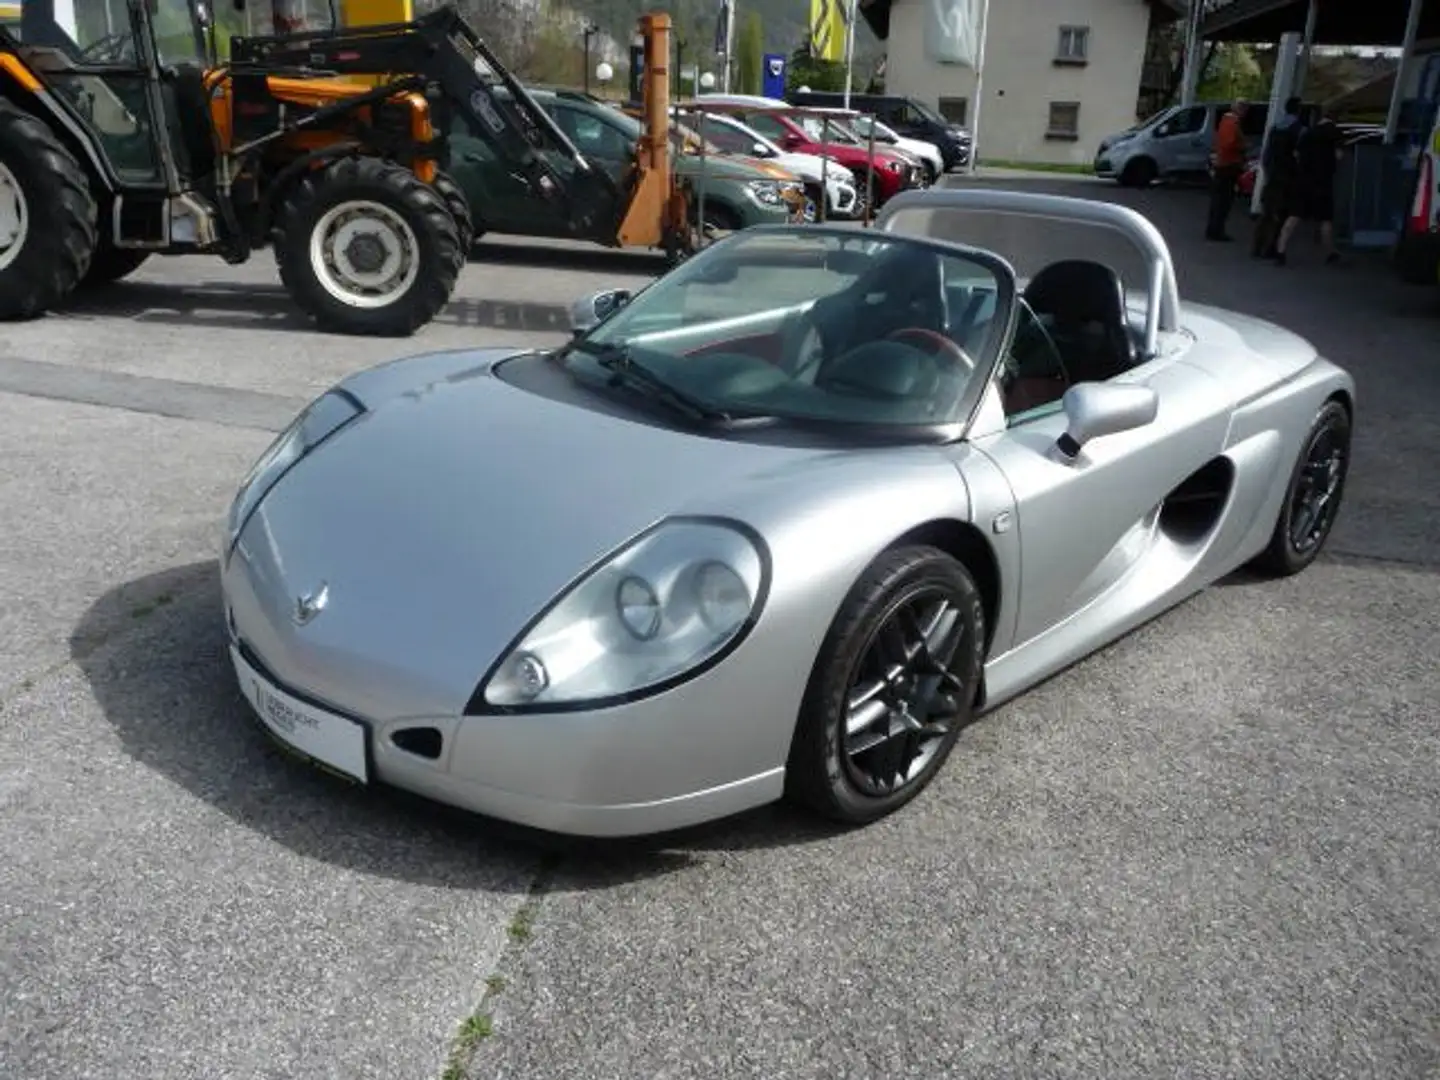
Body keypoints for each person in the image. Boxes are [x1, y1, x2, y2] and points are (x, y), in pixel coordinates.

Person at [1274, 106, 1344, 266]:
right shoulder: (1335, 133)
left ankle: (1281, 250)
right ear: (1335, 118)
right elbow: (1338, 156)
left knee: (1294, 216)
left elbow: (1296, 154)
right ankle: (1330, 252)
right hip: (1323, 182)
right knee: (1325, 219)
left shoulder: (1308, 133)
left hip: (1304, 180)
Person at [1252, 96, 1305, 259]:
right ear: (1298, 110)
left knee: (1266, 213)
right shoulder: (1299, 130)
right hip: (1288, 178)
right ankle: (1271, 248)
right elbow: (1300, 156)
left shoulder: (1275, 127)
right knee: (1281, 215)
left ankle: (1257, 247)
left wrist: (1268, 173)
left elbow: (1266, 155)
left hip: (1273, 176)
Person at [1206, 100, 1248, 241]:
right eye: (1245, 109)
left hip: (1221, 164)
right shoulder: (1234, 123)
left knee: (1217, 199)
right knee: (1224, 201)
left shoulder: (1224, 121)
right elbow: (1230, 143)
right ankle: (1217, 231)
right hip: (1229, 165)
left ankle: (1212, 229)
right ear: (1240, 109)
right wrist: (1241, 147)